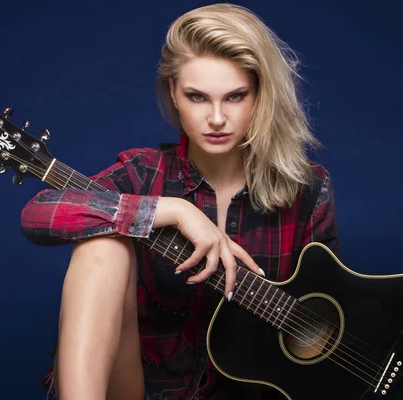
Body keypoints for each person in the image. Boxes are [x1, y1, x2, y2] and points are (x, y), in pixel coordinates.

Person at [20, 3, 340, 399]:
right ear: (174, 91)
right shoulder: (144, 173)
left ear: (260, 95)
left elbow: (335, 305)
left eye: (236, 96)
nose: (218, 118)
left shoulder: (307, 188)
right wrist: (168, 210)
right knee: (103, 244)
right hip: (148, 386)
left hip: (252, 390)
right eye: (197, 97)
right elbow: (39, 214)